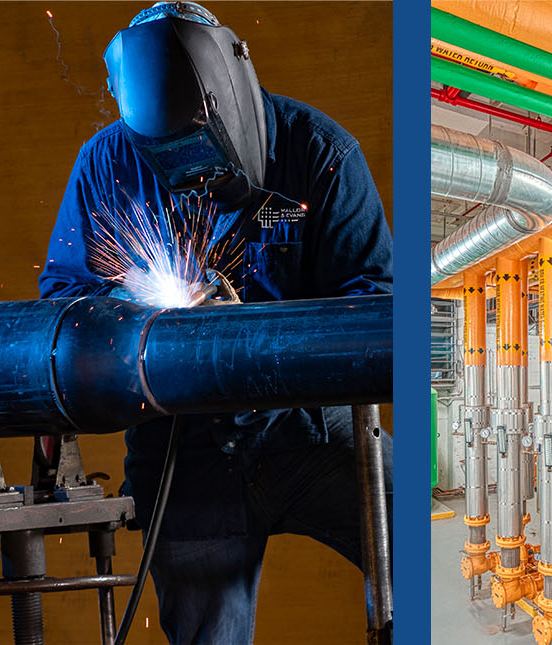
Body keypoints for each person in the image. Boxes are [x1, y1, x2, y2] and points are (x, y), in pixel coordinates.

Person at [38, 3, 393, 641]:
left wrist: (256, 344)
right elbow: (65, 300)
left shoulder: (321, 154)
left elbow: (374, 307)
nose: (183, 178)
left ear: (229, 100)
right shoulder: (105, 164)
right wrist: (139, 328)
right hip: (184, 450)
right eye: (162, 156)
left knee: (409, 550)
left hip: (310, 436)